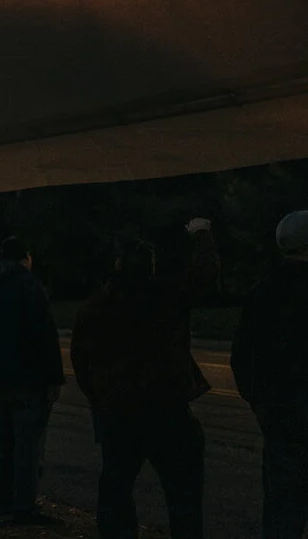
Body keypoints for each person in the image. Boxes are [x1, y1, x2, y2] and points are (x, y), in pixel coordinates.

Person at [71, 221, 217, 539]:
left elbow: (81, 365)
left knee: (116, 488)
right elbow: (204, 276)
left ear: (118, 265)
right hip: (167, 408)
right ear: (150, 267)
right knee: (184, 495)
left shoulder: (95, 308)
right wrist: (202, 235)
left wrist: (101, 397)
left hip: (119, 411)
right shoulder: (166, 296)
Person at [0, 236, 64, 526]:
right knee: (28, 444)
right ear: (26, 257)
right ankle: (24, 505)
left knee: (6, 442)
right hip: (29, 378)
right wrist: (53, 377)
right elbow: (44, 335)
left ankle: (5, 499)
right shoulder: (28, 286)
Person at [231, 210, 308, 539]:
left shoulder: (262, 293)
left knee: (281, 512)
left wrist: (261, 404)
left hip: (281, 419)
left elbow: (241, 358)